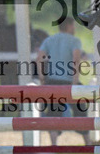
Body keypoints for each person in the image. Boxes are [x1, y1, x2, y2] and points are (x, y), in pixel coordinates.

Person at [36, 17, 90, 145]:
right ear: (69, 26)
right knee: (80, 111)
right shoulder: (74, 41)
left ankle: (54, 144)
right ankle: (88, 142)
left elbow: (39, 59)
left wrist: (42, 78)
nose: (75, 29)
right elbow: (75, 59)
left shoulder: (49, 40)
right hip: (68, 82)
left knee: (54, 113)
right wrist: (75, 81)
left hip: (52, 82)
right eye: (73, 26)